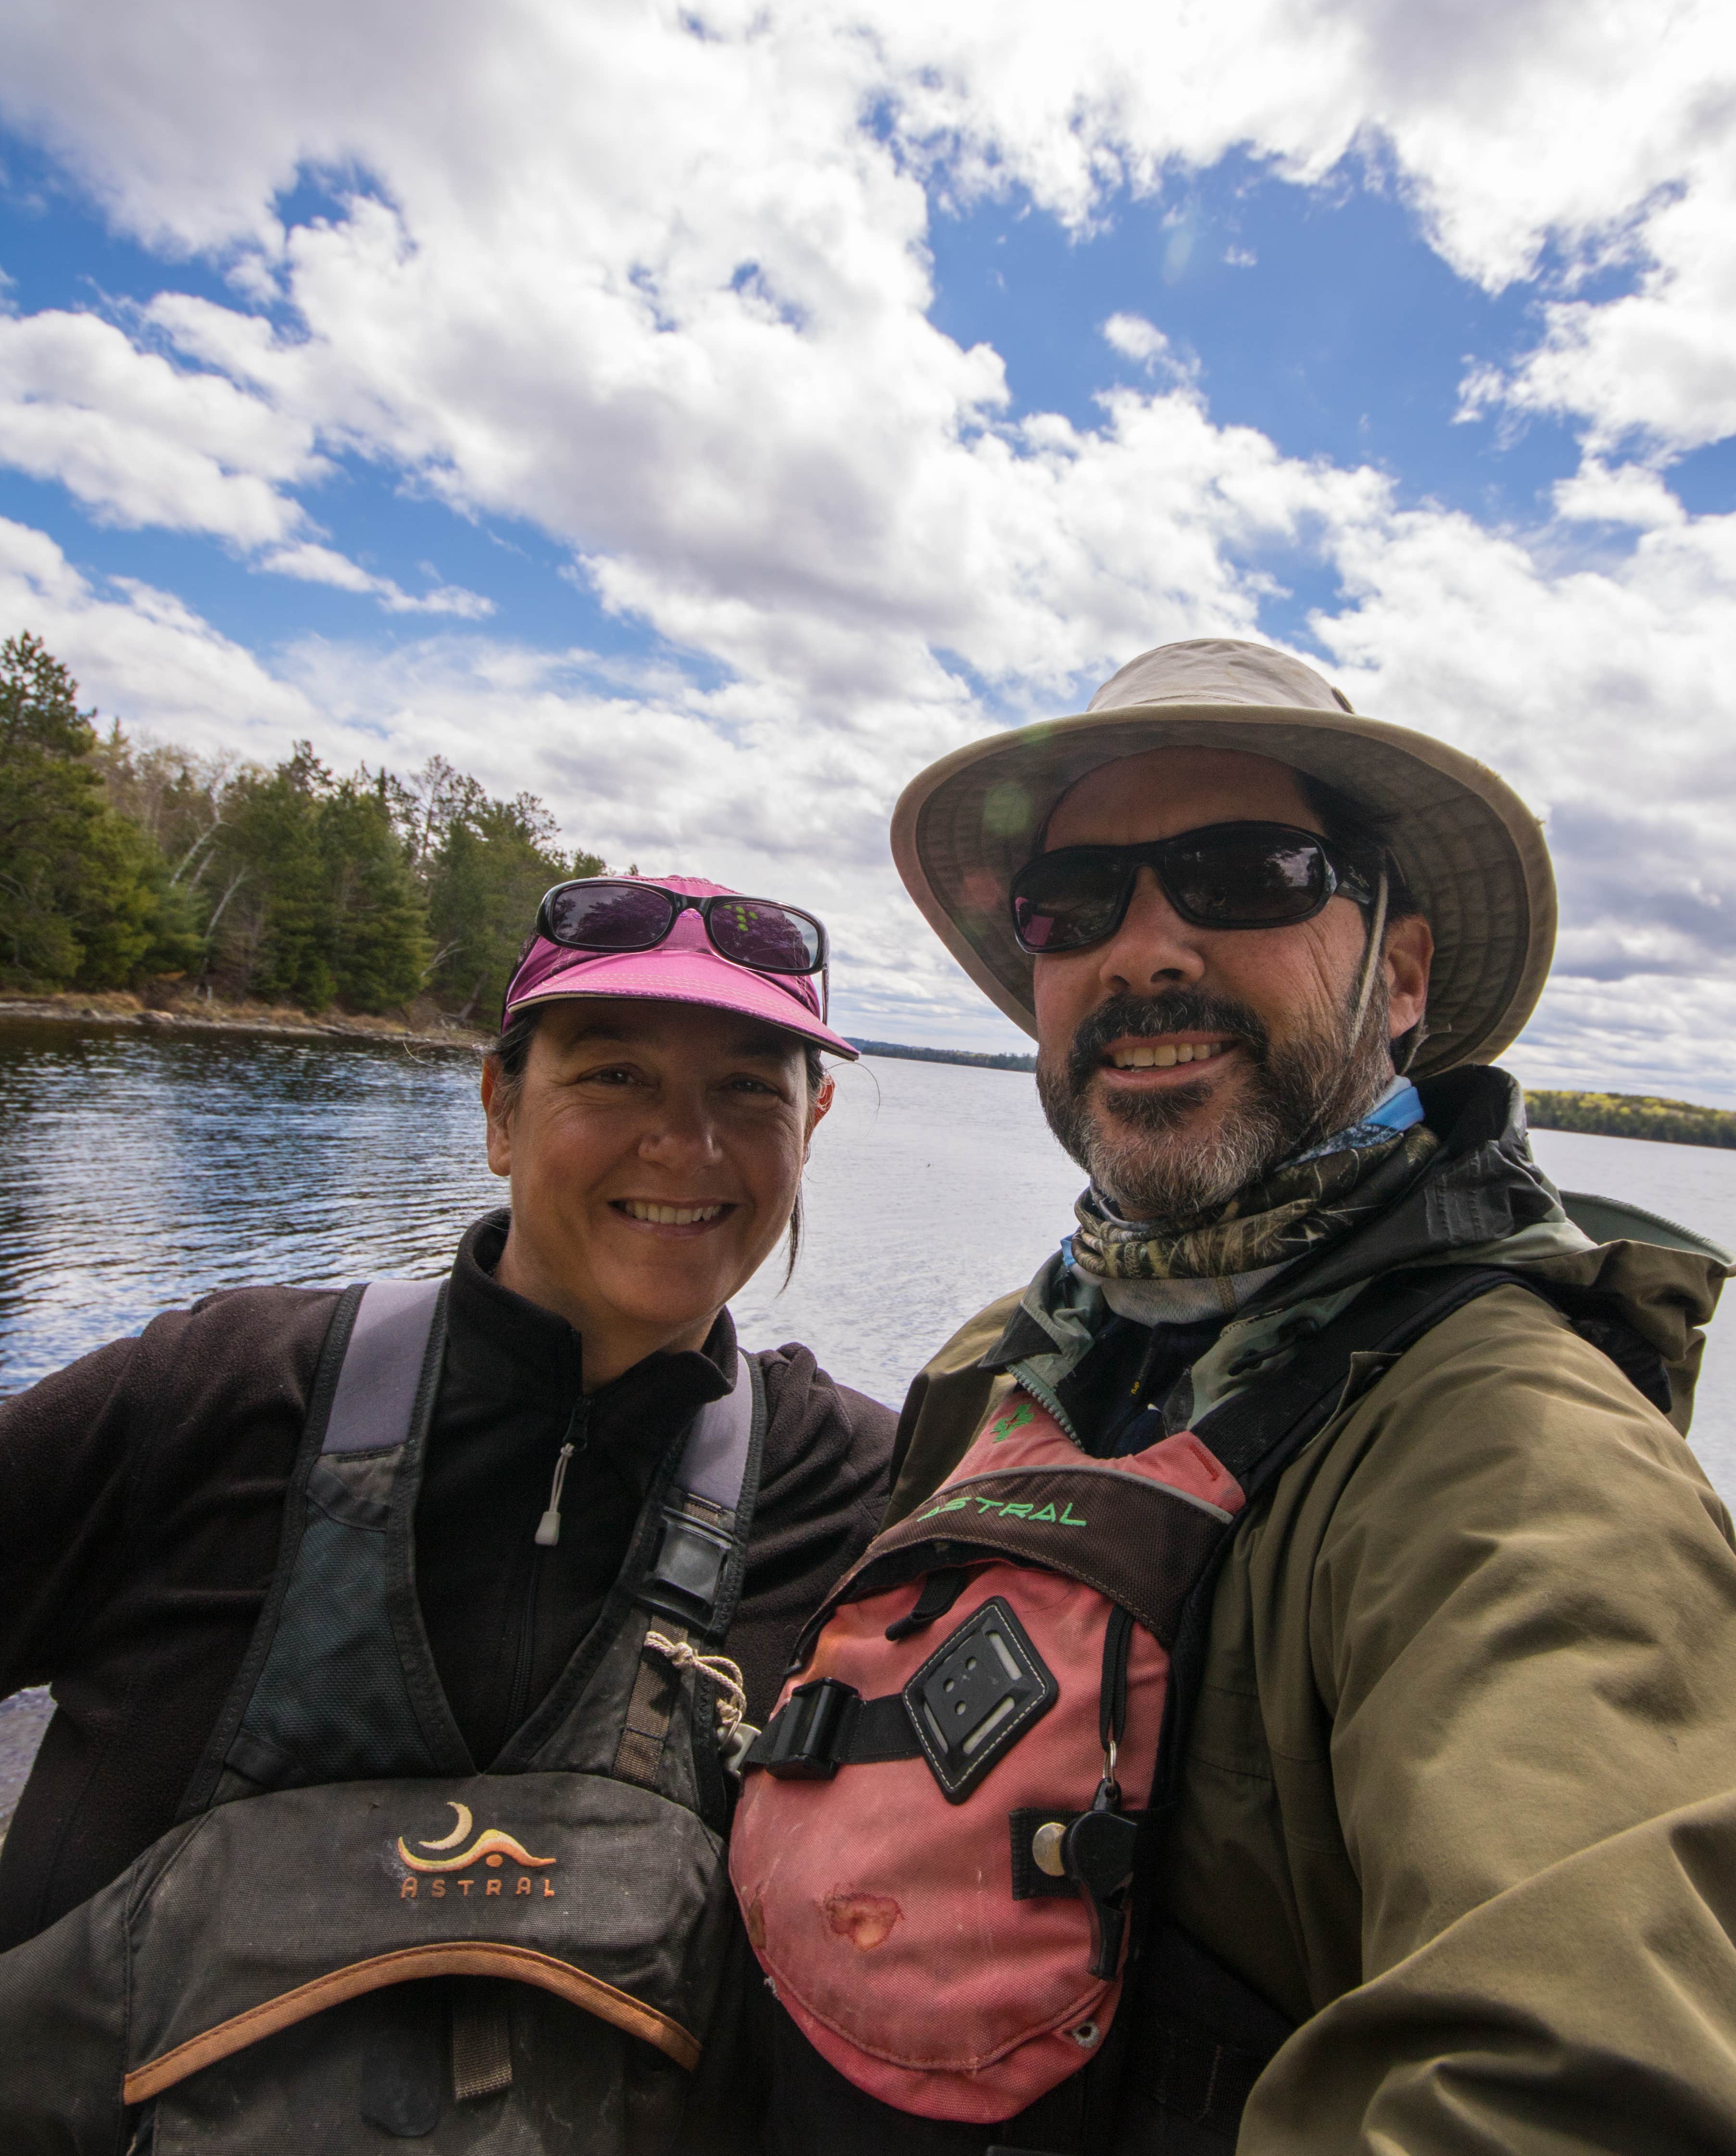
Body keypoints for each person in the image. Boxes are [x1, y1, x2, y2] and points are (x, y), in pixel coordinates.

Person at [731, 640, 1736, 2154]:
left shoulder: (1516, 1453)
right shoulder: (1003, 1363)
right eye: (1075, 904)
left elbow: (1582, 2075)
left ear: (1398, 975)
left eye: (1245, 873)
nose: (1143, 951)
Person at [0, 871, 892, 2153]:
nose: (685, 1145)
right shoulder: (215, 1393)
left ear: (811, 1123)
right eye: (614, 1075)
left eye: (748, 1090)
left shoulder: (859, 1489)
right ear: (499, 1109)